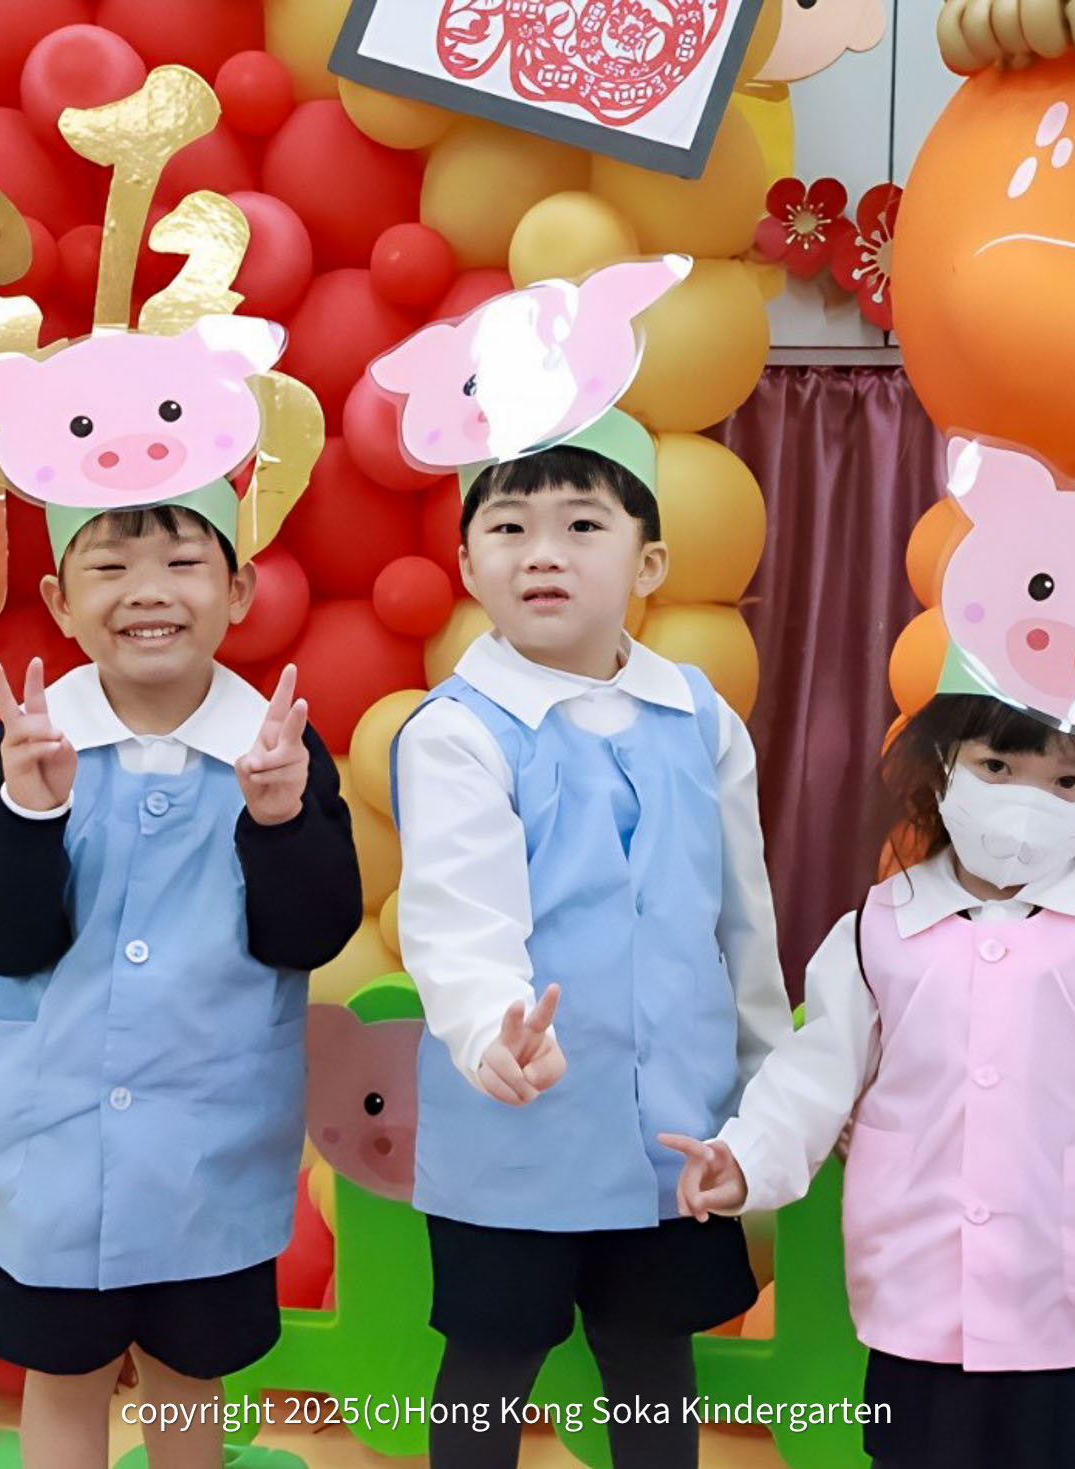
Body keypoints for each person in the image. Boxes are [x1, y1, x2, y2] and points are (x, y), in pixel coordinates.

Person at [662, 690, 1075, 1469]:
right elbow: (813, 1073)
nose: (1027, 801)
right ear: (944, 767)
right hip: (925, 1302)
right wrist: (747, 1157)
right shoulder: (879, 928)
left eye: (1067, 781)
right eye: (997, 767)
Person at [391, 406, 795, 1469]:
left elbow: (742, 915)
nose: (543, 554)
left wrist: (767, 1089)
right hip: (515, 1128)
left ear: (647, 560)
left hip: (676, 1130)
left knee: (654, 1358)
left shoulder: (700, 717)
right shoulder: (458, 730)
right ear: (467, 563)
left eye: (581, 525)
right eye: (508, 528)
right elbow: (458, 918)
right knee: (490, 1360)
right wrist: (492, 1031)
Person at [0, 489, 362, 1469]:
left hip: (207, 1137)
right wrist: (29, 815)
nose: (147, 591)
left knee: (186, 1375)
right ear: (59, 600)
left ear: (238, 589)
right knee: (63, 1373)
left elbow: (311, 933)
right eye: (109, 566)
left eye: (181, 563)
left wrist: (280, 822)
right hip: (50, 1137)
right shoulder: (31, 740)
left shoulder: (277, 744)